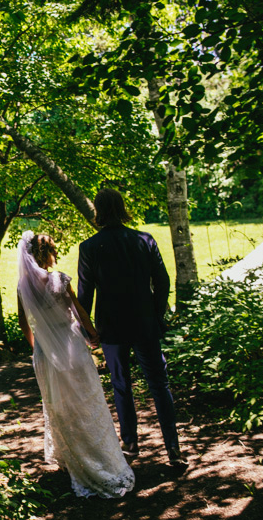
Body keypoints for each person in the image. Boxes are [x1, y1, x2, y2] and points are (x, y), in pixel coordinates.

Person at [17, 230, 135, 498]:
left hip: (47, 352)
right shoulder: (59, 279)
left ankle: (72, 456)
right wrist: (93, 334)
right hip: (70, 346)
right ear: (44, 254)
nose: (56, 255)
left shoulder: (24, 286)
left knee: (60, 405)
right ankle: (96, 455)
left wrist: (37, 347)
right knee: (86, 399)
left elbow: (24, 322)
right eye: (53, 250)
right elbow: (79, 311)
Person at [77, 188, 186, 467]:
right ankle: (173, 448)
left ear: (98, 211)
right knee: (159, 384)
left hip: (111, 327)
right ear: (122, 207)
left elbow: (85, 294)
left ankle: (131, 444)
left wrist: (87, 330)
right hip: (144, 323)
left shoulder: (89, 247)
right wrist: (158, 315)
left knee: (121, 384)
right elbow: (162, 282)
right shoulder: (144, 240)